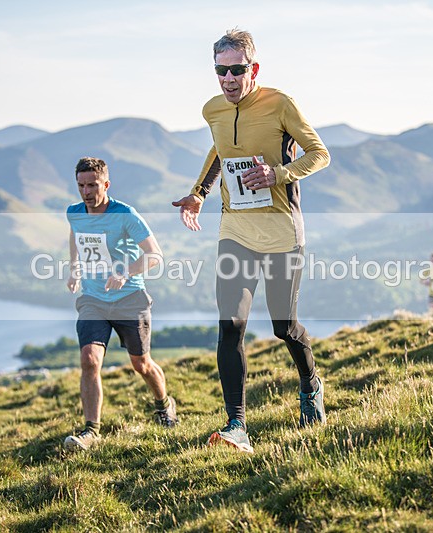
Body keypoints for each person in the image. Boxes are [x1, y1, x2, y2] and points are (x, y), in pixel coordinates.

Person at [172, 29, 330, 453]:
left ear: (253, 68)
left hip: (281, 233)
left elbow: (320, 154)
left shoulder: (280, 104)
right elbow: (219, 152)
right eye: (220, 71)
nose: (228, 78)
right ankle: (237, 425)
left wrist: (278, 174)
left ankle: (310, 384)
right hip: (236, 231)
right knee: (230, 326)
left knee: (284, 327)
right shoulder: (213, 109)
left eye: (237, 70)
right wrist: (199, 193)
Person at [64, 157, 177, 452]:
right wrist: (75, 268)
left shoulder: (125, 214)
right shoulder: (74, 213)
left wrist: (124, 272)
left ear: (106, 184)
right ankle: (91, 431)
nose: (86, 192)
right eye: (81, 185)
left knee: (142, 364)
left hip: (130, 299)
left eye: (92, 185)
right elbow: (76, 236)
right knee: (89, 360)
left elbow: (155, 255)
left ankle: (164, 404)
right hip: (93, 299)